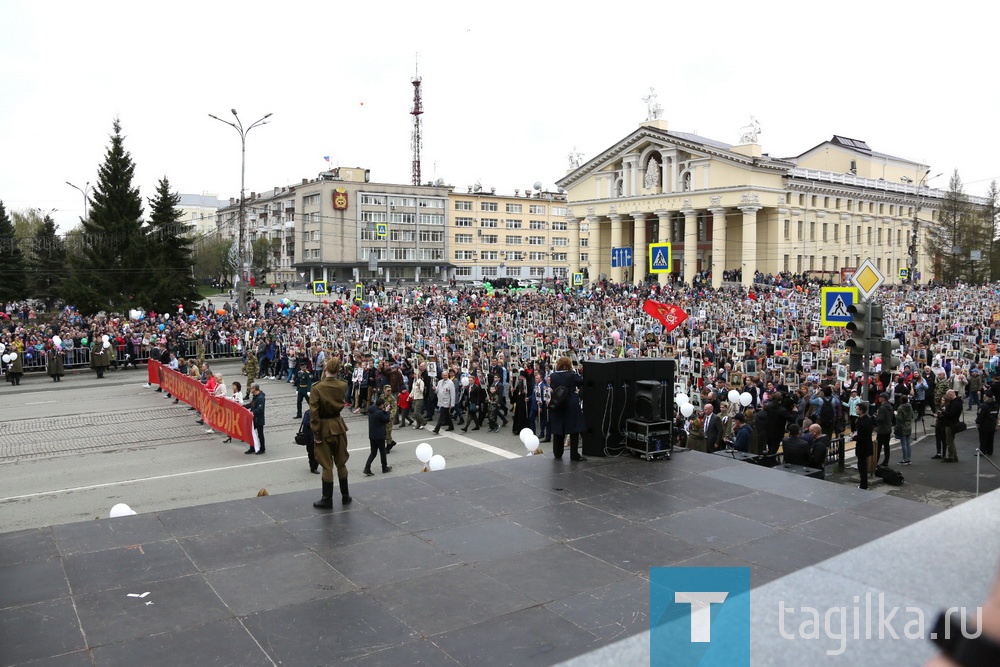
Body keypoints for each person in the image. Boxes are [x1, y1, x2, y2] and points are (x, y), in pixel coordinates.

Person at [310, 357, 352, 507]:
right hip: (339, 425)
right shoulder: (343, 385)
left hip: (324, 428)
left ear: (325, 368)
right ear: (338, 370)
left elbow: (313, 413)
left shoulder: (317, 388)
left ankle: (327, 499)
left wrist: (316, 433)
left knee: (327, 466)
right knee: (341, 463)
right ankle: (345, 496)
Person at [548, 356, 586, 461]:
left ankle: (557, 452)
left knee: (558, 430)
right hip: (571, 404)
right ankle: (574, 454)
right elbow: (581, 381)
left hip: (558, 404)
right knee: (574, 430)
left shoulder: (553, 376)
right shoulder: (572, 375)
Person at [363, 398, 393, 476]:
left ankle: (367, 467)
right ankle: (384, 467)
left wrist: (384, 411)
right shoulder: (379, 413)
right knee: (382, 452)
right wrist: (387, 411)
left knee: (373, 453)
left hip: (372, 435)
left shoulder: (372, 410)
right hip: (379, 436)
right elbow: (386, 419)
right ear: (381, 405)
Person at [939, 389, 963, 462]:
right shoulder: (958, 402)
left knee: (949, 441)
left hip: (950, 424)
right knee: (951, 440)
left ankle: (951, 456)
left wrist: (944, 412)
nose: (947, 397)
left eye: (947, 395)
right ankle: (954, 455)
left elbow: (951, 414)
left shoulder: (954, 404)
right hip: (954, 422)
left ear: (950, 394)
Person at [854, 402, 874, 490]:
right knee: (863, 465)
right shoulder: (868, 419)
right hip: (867, 445)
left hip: (862, 446)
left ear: (861, 411)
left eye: (857, 409)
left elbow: (861, 436)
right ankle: (863, 484)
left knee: (862, 466)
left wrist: (854, 438)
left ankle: (863, 485)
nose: (856, 410)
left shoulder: (861, 422)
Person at [243, 383, 266, 455]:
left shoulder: (260, 398)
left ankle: (262, 448)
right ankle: (252, 447)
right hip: (253, 418)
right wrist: (242, 407)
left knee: (260, 434)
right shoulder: (255, 396)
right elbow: (251, 404)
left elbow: (260, 409)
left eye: (251, 388)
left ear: (255, 389)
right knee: (251, 433)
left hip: (258, 419)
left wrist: (252, 413)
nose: (250, 390)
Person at [432, 368, 456, 434]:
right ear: (442, 376)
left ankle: (437, 429)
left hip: (446, 402)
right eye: (444, 375)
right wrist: (434, 389)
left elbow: (452, 394)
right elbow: (437, 391)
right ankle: (451, 426)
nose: (445, 376)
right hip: (441, 401)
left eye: (446, 375)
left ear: (447, 375)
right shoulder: (440, 382)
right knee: (447, 415)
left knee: (442, 415)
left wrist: (452, 404)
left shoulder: (450, 383)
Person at [874, 392, 894, 467]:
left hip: (882, 430)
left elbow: (881, 419)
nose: (879, 398)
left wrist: (876, 417)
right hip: (888, 428)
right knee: (886, 446)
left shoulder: (882, 408)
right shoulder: (890, 407)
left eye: (880, 397)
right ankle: (886, 461)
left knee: (878, 447)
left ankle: (875, 461)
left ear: (883, 399)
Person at [977, 391, 999, 457]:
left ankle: (982, 451)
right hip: (992, 424)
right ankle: (990, 451)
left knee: (983, 439)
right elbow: (996, 415)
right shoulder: (996, 405)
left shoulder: (983, 406)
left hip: (984, 425)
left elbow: (980, 415)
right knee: (990, 438)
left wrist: (978, 422)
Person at [895, 395, 914, 465]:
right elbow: (912, 415)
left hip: (902, 425)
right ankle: (908, 458)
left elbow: (899, 418)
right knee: (908, 443)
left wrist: (896, 414)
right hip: (909, 424)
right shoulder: (910, 407)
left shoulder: (900, 408)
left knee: (903, 443)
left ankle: (905, 459)